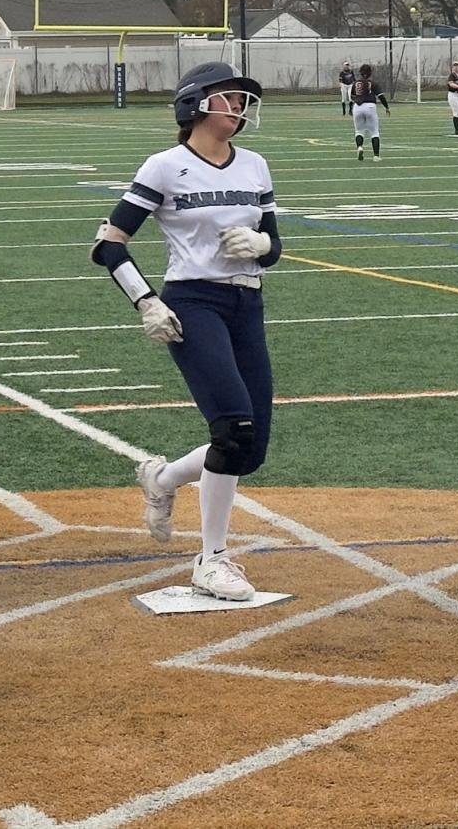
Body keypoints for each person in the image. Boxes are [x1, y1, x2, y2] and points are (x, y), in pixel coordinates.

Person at [89, 61, 281, 602]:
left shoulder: (256, 166)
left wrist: (265, 248)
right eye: (229, 96)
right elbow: (109, 244)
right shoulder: (166, 165)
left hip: (248, 303)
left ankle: (163, 478)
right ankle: (212, 559)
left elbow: (275, 243)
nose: (239, 106)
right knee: (233, 430)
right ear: (196, 103)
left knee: (251, 449)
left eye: (244, 98)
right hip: (192, 302)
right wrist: (146, 301)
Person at [352, 63, 391, 162]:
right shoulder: (372, 83)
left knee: (359, 131)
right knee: (374, 132)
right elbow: (381, 96)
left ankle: (360, 147)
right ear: (370, 73)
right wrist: (386, 107)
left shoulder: (355, 83)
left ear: (360, 73)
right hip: (370, 106)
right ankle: (376, 156)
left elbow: (352, 96)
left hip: (357, 107)